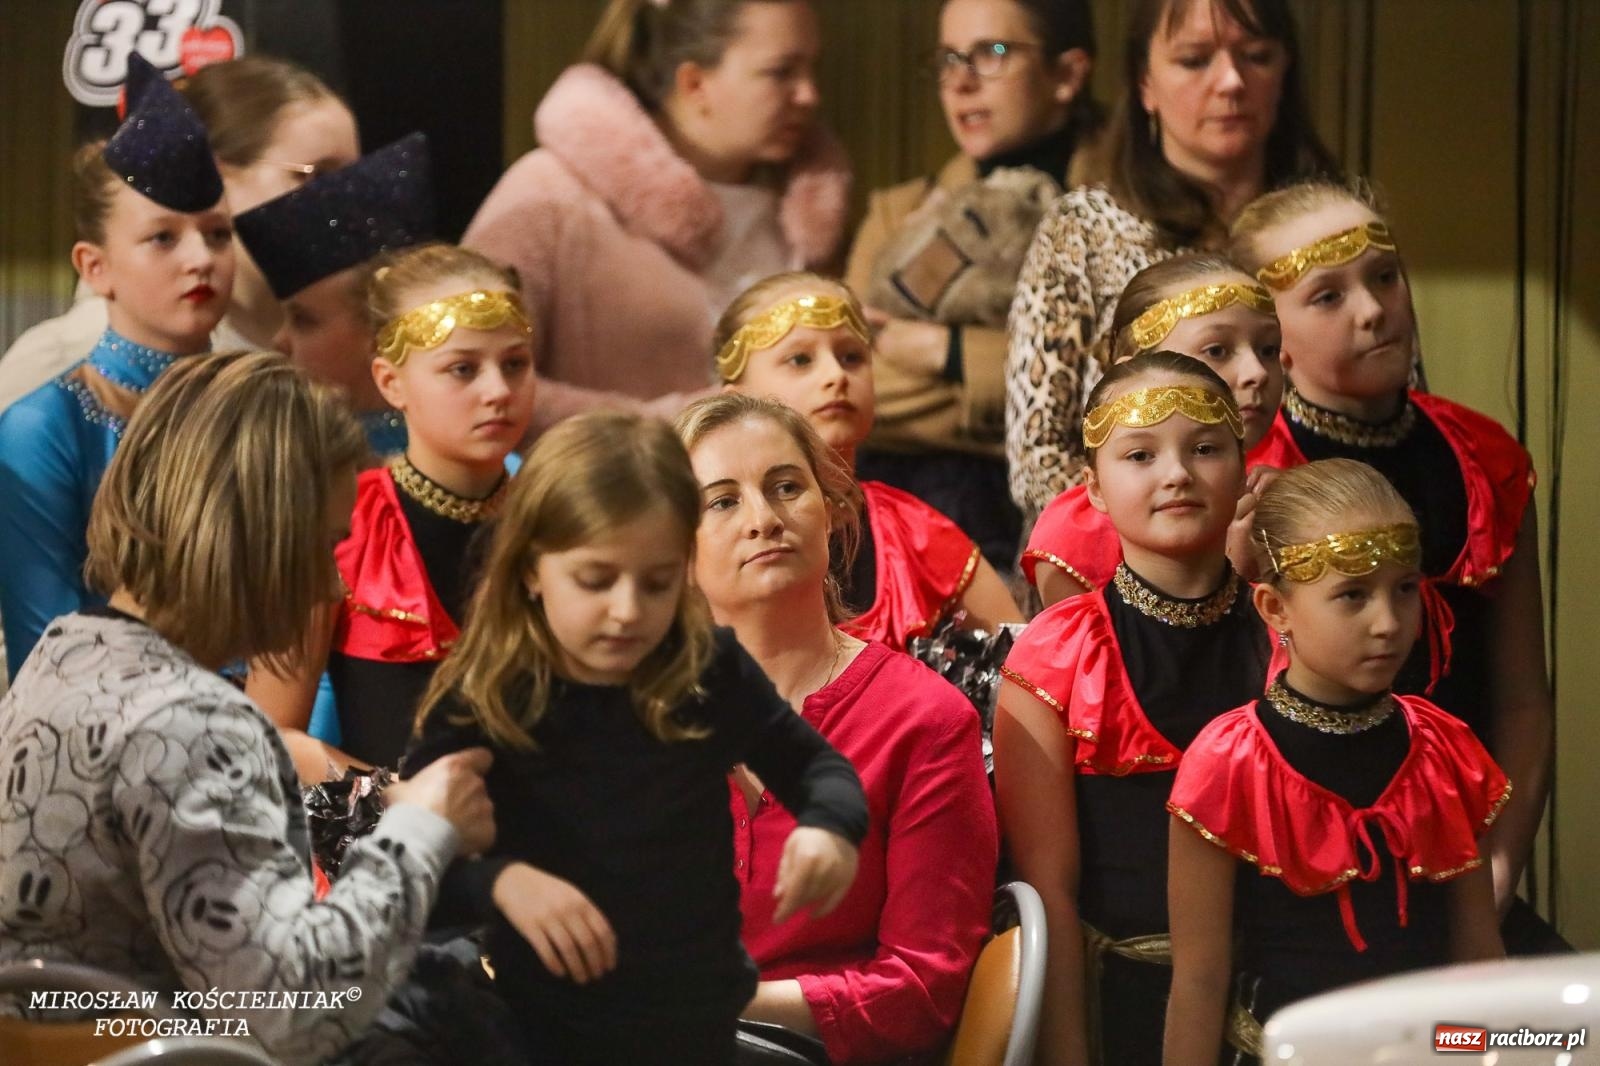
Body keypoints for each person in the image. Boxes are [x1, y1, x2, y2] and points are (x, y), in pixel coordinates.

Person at [0, 351, 497, 1066]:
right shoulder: (191, 718)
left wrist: (388, 806)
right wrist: (422, 829)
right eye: (325, 545)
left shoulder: (70, 651)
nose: (330, 584)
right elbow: (290, 1011)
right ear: (257, 533)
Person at [402, 412, 868, 1066]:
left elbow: (818, 767)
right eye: (595, 581)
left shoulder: (705, 668)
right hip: (540, 1036)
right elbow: (414, 869)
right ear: (532, 569)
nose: (627, 611)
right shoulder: (486, 697)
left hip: (694, 1029)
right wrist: (501, 882)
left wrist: (829, 827)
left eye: (656, 583)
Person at [1230, 180, 1551, 916]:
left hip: (1468, 871)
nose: (1374, 310)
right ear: (1270, 331)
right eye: (1327, 297)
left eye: (1384, 276)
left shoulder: (1485, 458)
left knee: (1557, 1034)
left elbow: (1524, 701)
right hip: (1306, 882)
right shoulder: (1251, 480)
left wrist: (1494, 877)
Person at [677, 393, 997, 1064]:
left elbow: (922, 992)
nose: (763, 520)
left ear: (835, 512)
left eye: (786, 487)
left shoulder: (924, 719)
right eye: (722, 501)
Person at [1163, 459, 1507, 1065]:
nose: (1389, 622)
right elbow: (1198, 981)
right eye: (1352, 594)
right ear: (1275, 609)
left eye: (1405, 588)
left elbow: (1479, 960)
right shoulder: (1231, 762)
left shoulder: (1443, 750)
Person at [995, 351, 1272, 1066]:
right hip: (1117, 1006)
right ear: (1092, 486)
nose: (1176, 473)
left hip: (1275, 998)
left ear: (1244, 465)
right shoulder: (1058, 654)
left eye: (1205, 448)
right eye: (1141, 454)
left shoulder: (1286, 635)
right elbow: (1046, 891)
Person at [1005, 0, 1334, 517]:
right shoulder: (1085, 226)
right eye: (1195, 60)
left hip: (1315, 550)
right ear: (1144, 84)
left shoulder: (1334, 225)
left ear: (1285, 69)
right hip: (1115, 563)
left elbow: (1393, 410)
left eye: (1256, 55)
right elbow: (1039, 461)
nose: (1230, 81)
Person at [462, 0, 849, 436]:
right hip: (602, 495)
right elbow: (463, 375)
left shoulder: (809, 213)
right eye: (781, 72)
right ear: (695, 82)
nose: (809, 94)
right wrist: (676, 426)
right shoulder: (549, 194)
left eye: (811, 69)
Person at [249, 243, 537, 782]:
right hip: (386, 846)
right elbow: (268, 736)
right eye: (463, 369)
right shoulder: (333, 527)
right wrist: (398, 804)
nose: (498, 390)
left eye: (515, 364)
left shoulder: (558, 517)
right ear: (390, 382)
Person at [0, 57, 235, 678]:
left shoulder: (262, 407)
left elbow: (301, 641)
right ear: (93, 266)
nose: (200, 259)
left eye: (217, 234)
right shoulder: (44, 426)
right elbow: (45, 660)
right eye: (164, 237)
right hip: (104, 742)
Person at [844, 0, 1099, 568]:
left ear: (1068, 73)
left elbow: (1114, 389)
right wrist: (1037, 387)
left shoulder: (1129, 207)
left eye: (993, 53)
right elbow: (846, 395)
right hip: (911, 537)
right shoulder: (897, 214)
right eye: (949, 58)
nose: (960, 83)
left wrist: (952, 353)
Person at [0, 54, 359, 413]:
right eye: (320, 176)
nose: (347, 204)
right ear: (213, 171)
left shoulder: (337, 346)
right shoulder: (65, 361)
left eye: (355, 180)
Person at [716, 272, 1022, 649]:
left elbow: (1029, 667)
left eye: (851, 357)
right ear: (736, 399)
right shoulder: (704, 540)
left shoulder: (918, 534)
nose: (836, 376)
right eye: (800, 360)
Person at [1023, 252, 1282, 606]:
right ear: (1135, 370)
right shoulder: (1080, 534)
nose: (1258, 371)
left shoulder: (1288, 479)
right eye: (1218, 350)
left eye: (1269, 349)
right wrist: (1233, 577)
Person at [235, 133, 435, 458]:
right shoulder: (279, 466)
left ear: (382, 337)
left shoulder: (481, 476)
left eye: (303, 320)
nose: (279, 340)